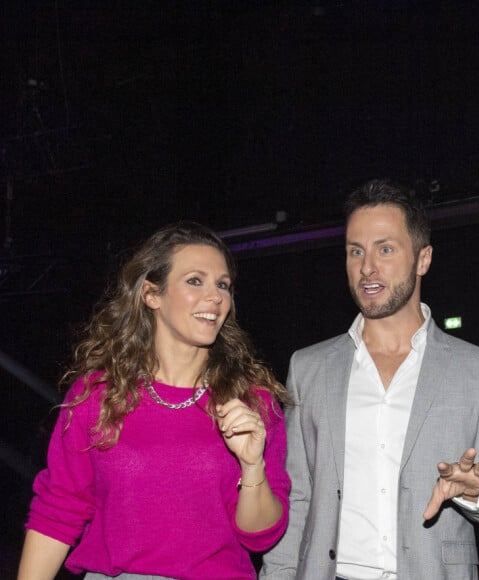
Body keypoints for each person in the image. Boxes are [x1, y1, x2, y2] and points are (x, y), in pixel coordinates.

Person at [260, 178, 479, 580]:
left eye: (385, 249)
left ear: (423, 259)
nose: (367, 267)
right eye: (356, 251)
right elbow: (297, 497)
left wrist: (475, 493)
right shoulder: (308, 367)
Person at [18, 221, 290, 580]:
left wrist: (252, 466)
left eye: (223, 285)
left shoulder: (251, 399)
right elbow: (59, 509)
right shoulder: (100, 393)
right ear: (152, 294)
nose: (216, 296)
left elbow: (260, 536)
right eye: (196, 280)